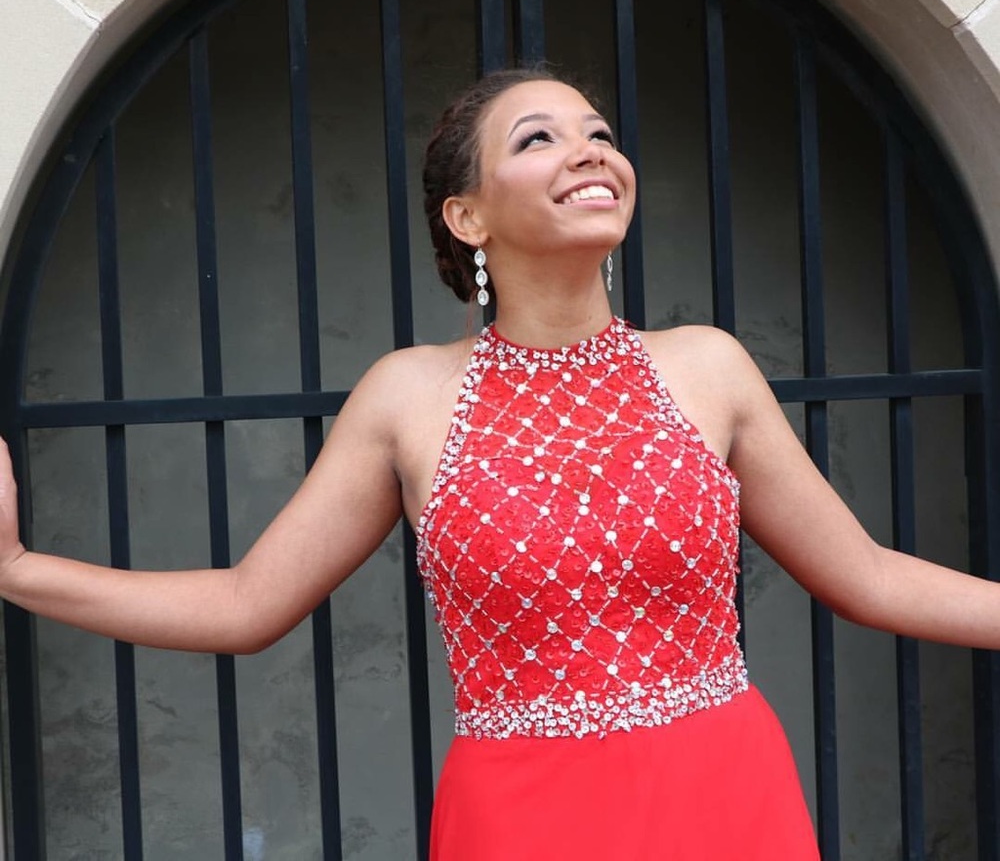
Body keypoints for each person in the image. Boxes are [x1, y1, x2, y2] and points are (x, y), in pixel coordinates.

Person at [1, 66, 999, 859]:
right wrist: (16, 569)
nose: (589, 150)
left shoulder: (709, 367)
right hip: (521, 818)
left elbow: (867, 576)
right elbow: (245, 604)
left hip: (725, 797)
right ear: (467, 217)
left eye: (598, 131)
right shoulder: (405, 397)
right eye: (538, 139)